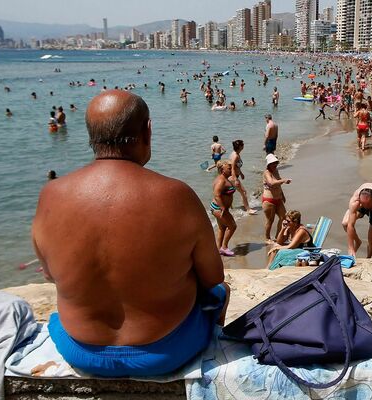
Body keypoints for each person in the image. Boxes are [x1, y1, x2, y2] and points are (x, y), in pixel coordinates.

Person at [31, 90, 229, 377]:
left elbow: (50, 274)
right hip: (165, 353)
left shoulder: (50, 195)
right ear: (147, 131)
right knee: (220, 293)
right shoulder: (176, 195)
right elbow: (213, 278)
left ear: (91, 136)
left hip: (79, 350)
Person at [342, 183, 372, 259]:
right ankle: (358, 242)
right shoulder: (356, 201)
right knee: (345, 223)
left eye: (367, 204)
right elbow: (350, 225)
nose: (365, 206)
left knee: (371, 239)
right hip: (362, 204)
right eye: (363, 204)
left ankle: (368, 257)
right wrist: (351, 248)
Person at [211, 160, 238, 257]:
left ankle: (218, 249)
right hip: (219, 208)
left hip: (217, 208)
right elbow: (217, 195)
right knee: (232, 226)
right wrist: (223, 208)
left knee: (222, 228)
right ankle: (224, 247)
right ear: (222, 170)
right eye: (229, 168)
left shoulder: (224, 178)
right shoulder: (222, 180)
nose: (231, 170)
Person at [262, 154, 291, 242]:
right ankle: (267, 238)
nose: (275, 165)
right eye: (273, 163)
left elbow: (278, 183)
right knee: (270, 220)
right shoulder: (266, 172)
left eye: (276, 163)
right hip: (269, 200)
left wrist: (282, 195)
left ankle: (278, 236)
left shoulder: (276, 170)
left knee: (284, 217)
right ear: (268, 164)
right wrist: (284, 180)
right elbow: (272, 183)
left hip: (278, 198)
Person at [229, 140, 257, 215]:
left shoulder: (235, 154)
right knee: (243, 192)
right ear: (240, 146)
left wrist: (241, 173)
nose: (243, 146)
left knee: (230, 193)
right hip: (233, 177)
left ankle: (231, 209)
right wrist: (235, 180)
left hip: (234, 176)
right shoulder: (235, 156)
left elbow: (236, 166)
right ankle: (248, 209)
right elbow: (232, 168)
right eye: (243, 145)